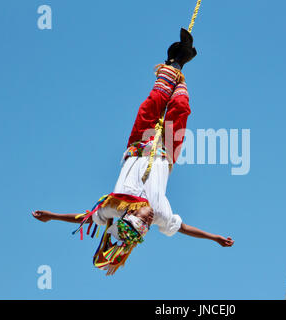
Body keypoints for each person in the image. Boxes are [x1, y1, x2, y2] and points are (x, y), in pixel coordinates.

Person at [32, 29, 234, 275]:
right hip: (165, 151)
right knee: (180, 108)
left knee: (152, 104)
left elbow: (84, 218)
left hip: (138, 145)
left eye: (144, 220)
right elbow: (182, 228)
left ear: (131, 214)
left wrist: (51, 216)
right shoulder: (160, 213)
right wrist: (215, 238)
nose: (149, 221)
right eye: (148, 225)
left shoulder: (113, 207)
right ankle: (179, 65)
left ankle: (174, 62)